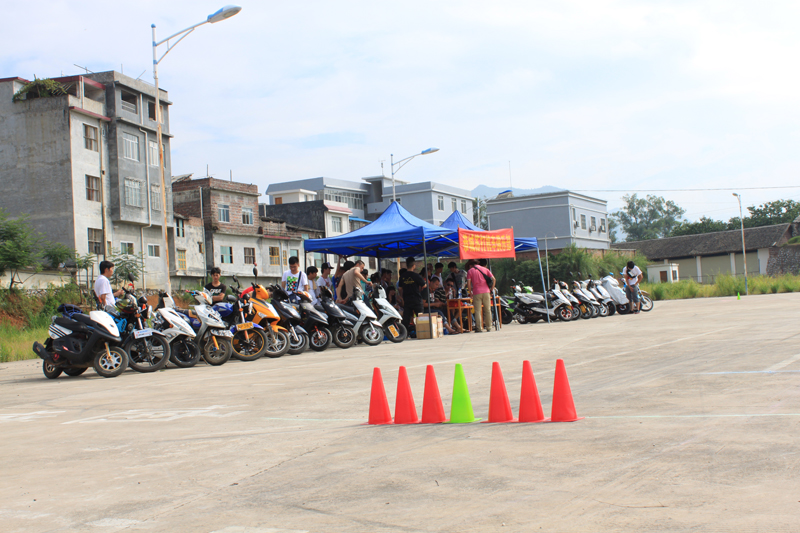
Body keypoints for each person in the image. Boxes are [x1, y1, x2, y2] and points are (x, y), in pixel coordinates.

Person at [466, 258, 495, 332]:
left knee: (478, 311)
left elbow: (469, 284)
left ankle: (479, 328)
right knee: (487, 310)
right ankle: (489, 327)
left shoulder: (470, 271)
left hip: (476, 292)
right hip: (486, 292)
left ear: (470, 265)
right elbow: (494, 279)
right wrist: (491, 289)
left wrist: (470, 293)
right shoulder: (485, 269)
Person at [398, 256, 426, 333]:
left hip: (407, 299)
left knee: (406, 318)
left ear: (406, 265)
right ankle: (422, 332)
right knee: (420, 317)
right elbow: (424, 285)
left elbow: (400, 288)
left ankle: (404, 334)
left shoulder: (403, 276)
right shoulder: (416, 276)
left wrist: (402, 297)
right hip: (417, 299)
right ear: (414, 265)